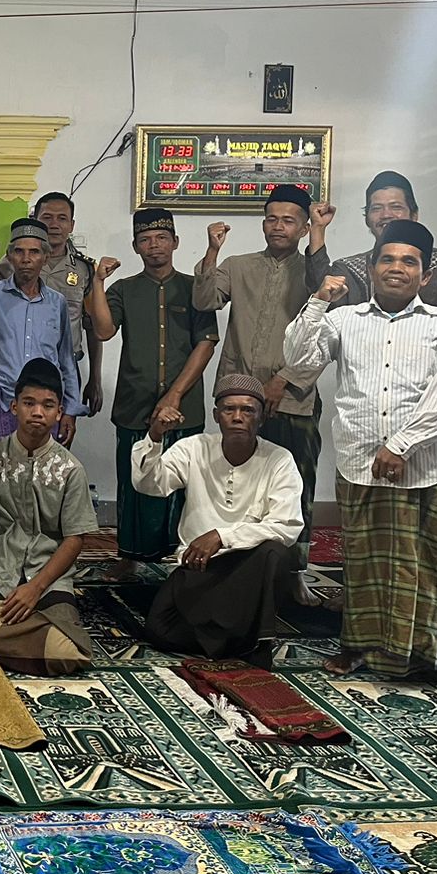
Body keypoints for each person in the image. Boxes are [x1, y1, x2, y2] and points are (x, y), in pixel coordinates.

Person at [283, 220, 437, 695]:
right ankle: (357, 645)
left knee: (426, 566)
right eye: (387, 259)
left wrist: (401, 445)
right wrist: (318, 301)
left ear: (425, 276)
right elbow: (299, 363)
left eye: (409, 261)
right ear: (371, 268)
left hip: (422, 466)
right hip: (360, 461)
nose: (396, 268)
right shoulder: (344, 320)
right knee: (362, 562)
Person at [192, 184, 324, 605]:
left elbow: (322, 336)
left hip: (293, 398)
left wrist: (283, 380)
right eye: (271, 219)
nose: (278, 227)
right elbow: (204, 300)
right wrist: (212, 251)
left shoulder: (316, 274)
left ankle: (293, 573)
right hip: (238, 400)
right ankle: (235, 568)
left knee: (294, 486)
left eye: (288, 220)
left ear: (303, 228)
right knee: (237, 484)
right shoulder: (239, 265)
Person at [130, 374, 304, 664]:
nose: (237, 417)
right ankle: (234, 638)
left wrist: (222, 537)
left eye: (248, 410)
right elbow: (149, 484)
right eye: (229, 409)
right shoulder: (194, 448)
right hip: (198, 565)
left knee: (276, 552)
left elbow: (286, 526)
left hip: (248, 567)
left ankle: (257, 642)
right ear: (216, 416)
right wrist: (155, 436)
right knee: (159, 631)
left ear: (262, 417)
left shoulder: (279, 460)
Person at [0, 359, 96, 674]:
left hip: (48, 574)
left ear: (59, 412)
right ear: (14, 407)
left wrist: (34, 589)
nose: (37, 412)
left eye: (47, 405)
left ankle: (2, 630)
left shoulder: (70, 469)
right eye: (29, 403)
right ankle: (28, 631)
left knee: (71, 653)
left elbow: (75, 540)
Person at [87, 208, 219, 577]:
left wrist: (175, 394)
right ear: (135, 247)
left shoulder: (194, 288)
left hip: (184, 406)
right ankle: (130, 556)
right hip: (135, 405)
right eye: (145, 240)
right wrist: (97, 282)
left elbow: (206, 344)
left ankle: (183, 557)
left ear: (175, 242)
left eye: (161, 238)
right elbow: (103, 330)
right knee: (134, 483)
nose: (154, 245)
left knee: (185, 485)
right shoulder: (124, 289)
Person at [0, 218, 83, 447]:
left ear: (46, 257)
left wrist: (70, 410)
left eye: (34, 252)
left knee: (42, 465)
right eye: (19, 251)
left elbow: (66, 360)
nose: (26, 259)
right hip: (0, 398)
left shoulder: (56, 302)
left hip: (44, 403)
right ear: (9, 256)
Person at [0, 193, 102, 426]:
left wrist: (95, 378)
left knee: (56, 439)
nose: (54, 224)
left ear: (72, 225)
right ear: (36, 220)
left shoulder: (84, 269)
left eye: (62, 218)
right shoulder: (11, 263)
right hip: (13, 372)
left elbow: (92, 327)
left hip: (63, 370)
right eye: (47, 217)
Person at [305, 170, 437, 318]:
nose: (386, 215)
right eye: (377, 208)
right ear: (367, 218)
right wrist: (318, 228)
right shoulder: (348, 269)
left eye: (396, 207)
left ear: (414, 215)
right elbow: (323, 299)